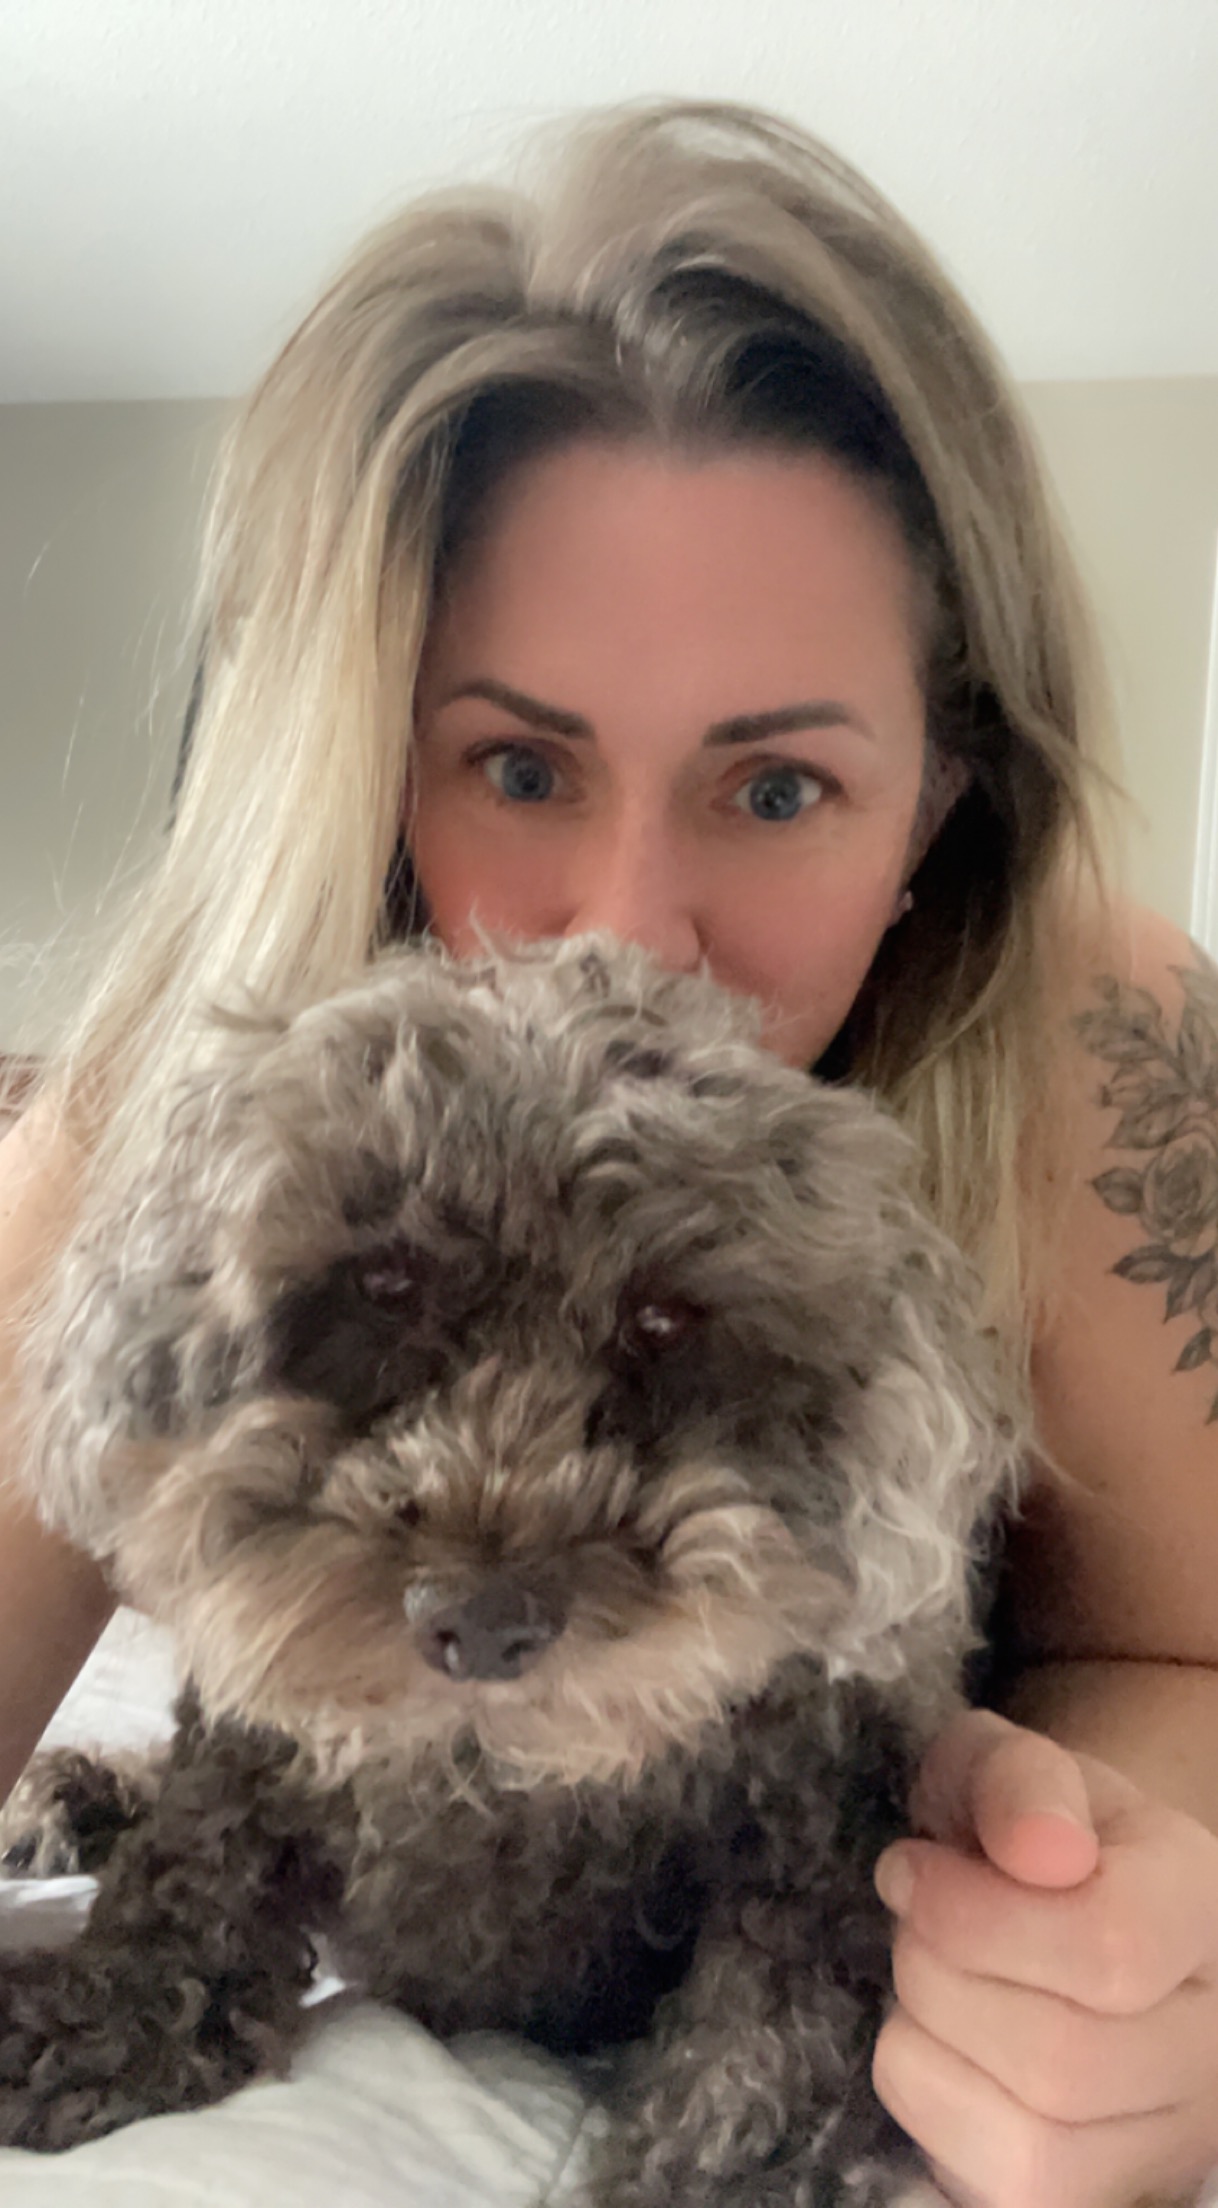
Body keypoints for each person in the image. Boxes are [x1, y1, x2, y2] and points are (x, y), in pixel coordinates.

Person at [2, 98, 1217, 2208]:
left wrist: (1101, 1926)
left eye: (778, 790)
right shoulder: (186, 1090)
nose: (631, 933)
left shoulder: (1088, 1032)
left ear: (936, 803)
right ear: (365, 748)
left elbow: (1178, 1651)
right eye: (517, 764)